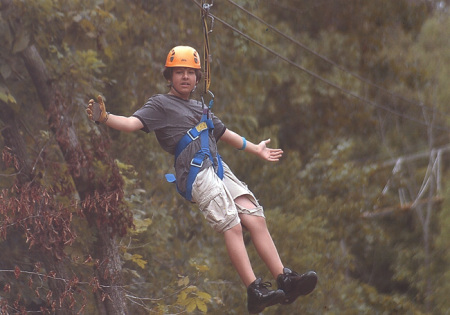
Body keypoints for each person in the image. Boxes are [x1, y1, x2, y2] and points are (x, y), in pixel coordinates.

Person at [87, 45, 317, 313]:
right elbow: (130, 123)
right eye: (179, 72)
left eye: (190, 72)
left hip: (217, 166)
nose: (185, 77)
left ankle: (285, 279)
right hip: (195, 171)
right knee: (231, 224)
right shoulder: (160, 104)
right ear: (169, 76)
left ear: (198, 78)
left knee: (255, 217)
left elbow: (224, 133)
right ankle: (254, 290)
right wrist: (104, 118)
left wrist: (256, 148)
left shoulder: (200, 108)